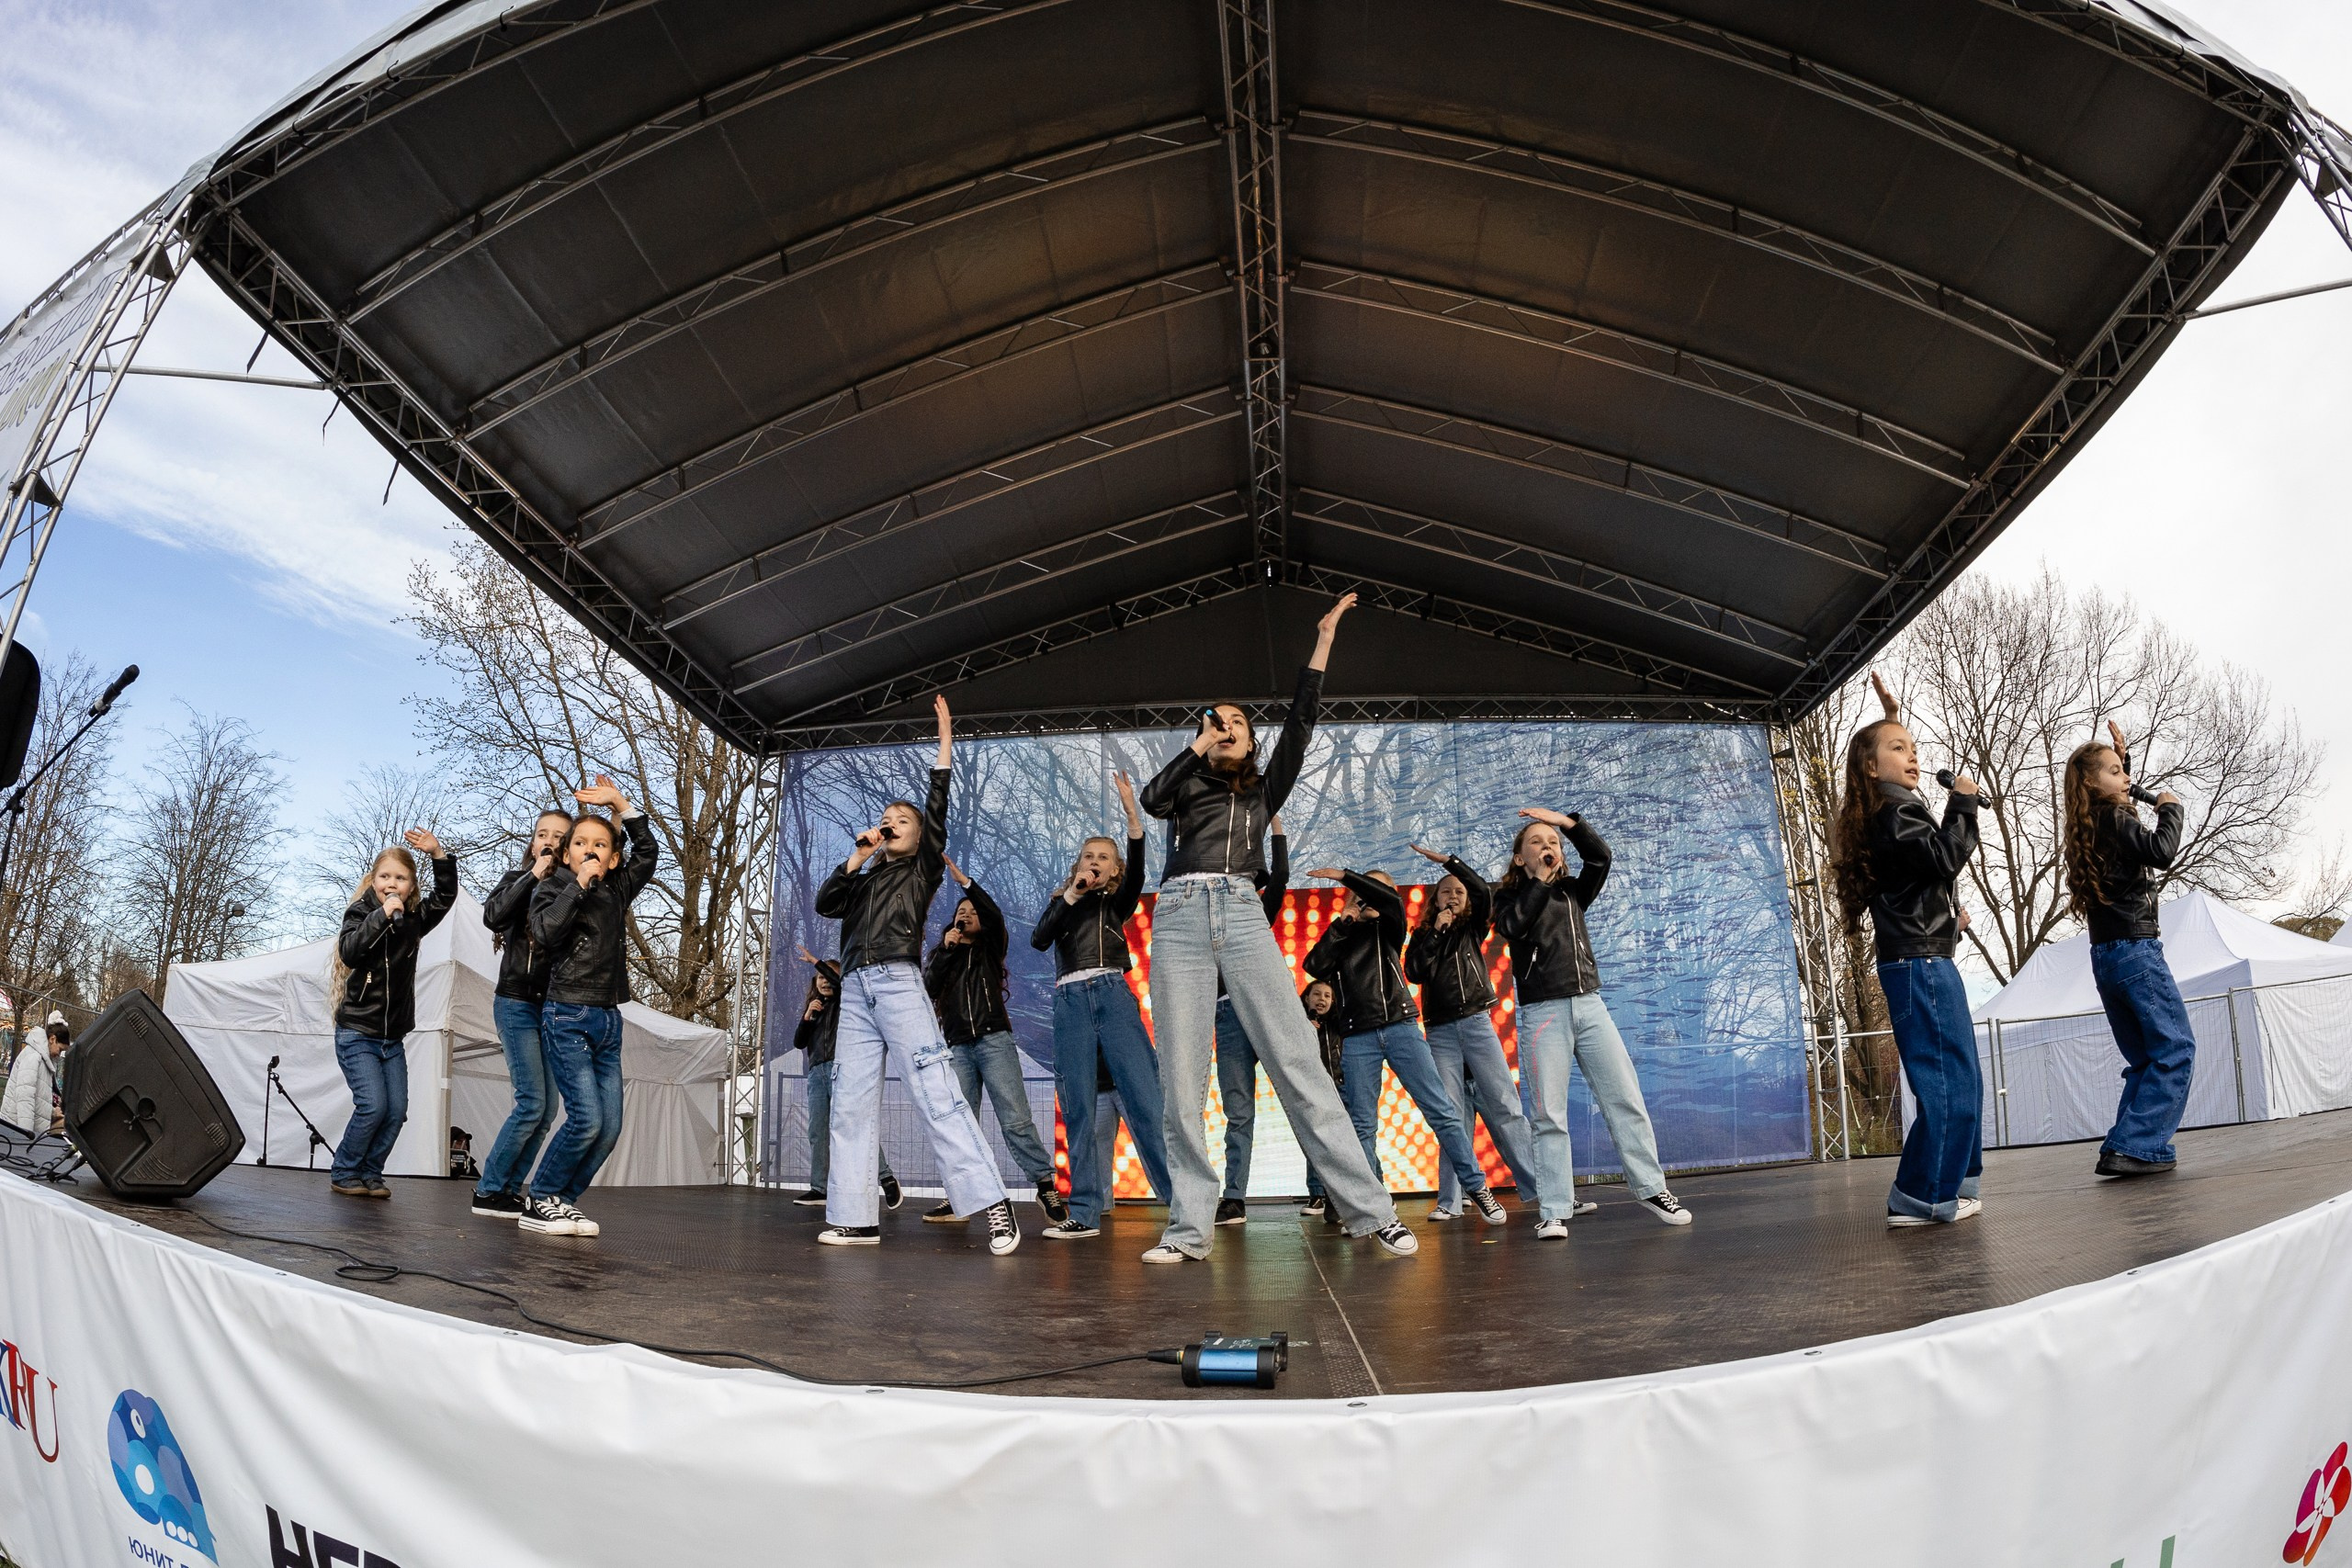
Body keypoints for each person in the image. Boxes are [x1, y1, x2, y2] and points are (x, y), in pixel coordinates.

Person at [1137, 592, 1417, 1262]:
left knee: (1299, 1060)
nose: (1227, 725)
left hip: (1240, 909)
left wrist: (1321, 644)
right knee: (1181, 1076)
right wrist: (1194, 745)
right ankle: (1189, 1228)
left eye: (1237, 721)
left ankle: (1370, 1209)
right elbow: (1151, 798)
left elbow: (1301, 723)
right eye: (1218, 721)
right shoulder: (1186, 786)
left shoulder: (1265, 790)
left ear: (1253, 741)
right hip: (1177, 914)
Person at [814, 697, 1020, 1254]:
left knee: (936, 1093)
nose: (890, 824)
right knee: (850, 1104)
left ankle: (993, 1203)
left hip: (898, 983)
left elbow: (937, 804)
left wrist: (945, 745)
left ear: (920, 833)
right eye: (886, 819)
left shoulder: (924, 865)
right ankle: (855, 1217)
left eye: (902, 820)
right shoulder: (863, 876)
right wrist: (858, 856)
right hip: (855, 991)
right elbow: (825, 901)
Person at [1830, 672, 1983, 1226]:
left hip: (1926, 955)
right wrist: (1962, 805)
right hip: (1919, 964)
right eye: (1900, 749)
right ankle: (1921, 1194)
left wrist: (1949, 919)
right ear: (1872, 768)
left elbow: (1919, 881)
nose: (1914, 756)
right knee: (1947, 1080)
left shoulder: (1892, 811)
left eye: (1915, 748)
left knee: (1959, 1076)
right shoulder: (1897, 813)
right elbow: (1944, 857)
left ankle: (1948, 1182)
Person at [1496, 807, 1691, 1235]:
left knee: (1624, 1098)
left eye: (1554, 843)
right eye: (1537, 842)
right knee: (1549, 1115)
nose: (1548, 848)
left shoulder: (1573, 892)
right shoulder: (1509, 897)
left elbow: (1600, 857)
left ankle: (1651, 1188)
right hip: (1543, 1011)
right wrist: (1538, 883)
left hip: (1590, 1005)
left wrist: (1569, 823)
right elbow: (1512, 925)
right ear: (1519, 858)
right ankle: (1553, 1208)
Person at [1306, 866, 1508, 1225]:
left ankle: (1477, 1187)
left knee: (1442, 1111)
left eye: (1377, 891)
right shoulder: (1344, 934)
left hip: (1401, 1027)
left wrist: (1346, 877)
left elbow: (1389, 900)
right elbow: (1314, 964)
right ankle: (1373, 1205)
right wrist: (1343, 922)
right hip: (1358, 1036)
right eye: (1362, 892)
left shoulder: (1391, 925)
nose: (1368, 897)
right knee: (1362, 1125)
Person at [1030, 770, 1172, 1240]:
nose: (1095, 862)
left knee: (1146, 1101)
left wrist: (1133, 814)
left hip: (1111, 993)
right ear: (1077, 866)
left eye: (1104, 859)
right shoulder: (1063, 904)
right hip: (1070, 1000)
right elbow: (1039, 939)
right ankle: (1085, 1213)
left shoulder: (1118, 904)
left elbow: (1138, 856)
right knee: (1079, 1109)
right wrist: (1070, 894)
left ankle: (1181, 1201)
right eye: (1088, 856)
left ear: (1114, 871)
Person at [522, 777, 660, 1238]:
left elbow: (648, 853)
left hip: (607, 1017)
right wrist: (576, 886)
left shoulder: (617, 890)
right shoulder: (552, 887)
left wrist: (621, 804)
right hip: (566, 1014)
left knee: (610, 1126)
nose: (590, 849)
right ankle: (539, 1198)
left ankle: (563, 1198)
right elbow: (543, 934)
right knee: (586, 1117)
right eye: (580, 843)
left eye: (600, 844)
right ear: (566, 854)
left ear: (613, 857)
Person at [2065, 720, 2191, 1177]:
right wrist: (2171, 809)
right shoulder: (2116, 818)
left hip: (2106, 957)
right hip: (2137, 951)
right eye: (2116, 772)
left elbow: (2122, 817)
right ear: (2092, 782)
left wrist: (2123, 762)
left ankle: (2122, 1146)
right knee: (2175, 1048)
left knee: (2144, 1058)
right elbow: (2159, 850)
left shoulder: (2089, 824)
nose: (2126, 780)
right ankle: (2137, 1144)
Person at [925, 857, 1069, 1225]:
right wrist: (946, 949)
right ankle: (958, 1197)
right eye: (961, 910)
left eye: (972, 911)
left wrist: (967, 884)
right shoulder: (947, 951)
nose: (967, 914)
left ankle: (1043, 1185)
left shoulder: (991, 947)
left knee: (1015, 1119)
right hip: (957, 1046)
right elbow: (928, 987)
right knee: (961, 1124)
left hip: (994, 1041)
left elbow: (994, 915)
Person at [1404, 843, 1544, 1218]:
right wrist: (1434, 933)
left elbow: (1483, 891)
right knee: (1450, 1115)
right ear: (1435, 900)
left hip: (1476, 1023)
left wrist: (1451, 863)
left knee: (1505, 1107)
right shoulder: (1422, 935)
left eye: (1458, 891)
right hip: (1440, 1032)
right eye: (1446, 890)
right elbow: (1414, 972)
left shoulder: (1474, 925)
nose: (1453, 895)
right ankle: (1451, 1201)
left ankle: (1541, 1189)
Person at [328, 830, 458, 1199]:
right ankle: (345, 1170)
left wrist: (439, 855)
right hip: (357, 1031)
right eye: (385, 876)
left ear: (411, 884)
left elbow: (446, 897)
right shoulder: (360, 913)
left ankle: (371, 1173)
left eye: (400, 878)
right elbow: (350, 952)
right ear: (373, 880)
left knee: (396, 1110)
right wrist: (381, 916)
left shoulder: (413, 921)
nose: (392, 884)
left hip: (391, 1037)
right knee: (373, 1105)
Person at [469, 809, 571, 1219]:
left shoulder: (572, 890)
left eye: (558, 836)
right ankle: (487, 1188)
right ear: (533, 843)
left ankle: (509, 1189)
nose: (548, 840)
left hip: (553, 1007)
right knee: (531, 1101)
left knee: (547, 1109)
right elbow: (492, 916)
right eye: (541, 834)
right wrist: (534, 875)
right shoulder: (517, 880)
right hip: (516, 1001)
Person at [1210, 814, 1289, 1225]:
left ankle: (1326, 1189)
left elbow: (1280, 878)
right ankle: (1234, 1196)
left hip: (1265, 1007)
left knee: (1301, 1095)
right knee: (1238, 1110)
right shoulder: (1204, 913)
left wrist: (1276, 829)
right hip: (1227, 1013)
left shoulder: (1257, 909)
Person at [791, 948, 901, 1210]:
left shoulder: (847, 1001)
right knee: (817, 1132)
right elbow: (799, 1043)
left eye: (828, 977)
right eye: (819, 978)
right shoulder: (815, 1009)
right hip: (817, 1074)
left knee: (855, 1127)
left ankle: (885, 1178)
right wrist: (807, 1017)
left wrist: (816, 961)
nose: (825, 981)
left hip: (843, 1070)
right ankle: (819, 1188)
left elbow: (840, 983)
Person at [1295, 980, 1349, 1221]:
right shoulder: (1298, 1024)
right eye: (1316, 994)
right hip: (1313, 1090)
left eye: (1328, 995)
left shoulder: (1339, 1024)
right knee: (1315, 1140)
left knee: (1354, 1139)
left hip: (1339, 1086)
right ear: (1306, 998)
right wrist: (1305, 1028)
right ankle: (1317, 1194)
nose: (1322, 999)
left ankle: (1376, 1186)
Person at [1, 1022, 62, 1134]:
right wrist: (26, 1134)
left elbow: (38, 1099)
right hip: (15, 1129)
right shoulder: (34, 1057)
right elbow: (25, 1098)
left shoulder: (45, 1059)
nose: (59, 1054)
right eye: (60, 1049)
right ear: (52, 1039)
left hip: (24, 1131)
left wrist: (53, 1112)